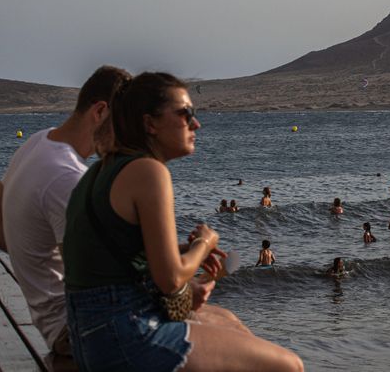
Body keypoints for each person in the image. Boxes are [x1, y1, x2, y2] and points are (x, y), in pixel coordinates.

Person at [61, 72, 303, 371]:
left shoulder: (100, 172)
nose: (196, 124)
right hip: (127, 336)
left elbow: (115, 259)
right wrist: (204, 244)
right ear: (150, 123)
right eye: (185, 113)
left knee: (229, 321)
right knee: (288, 365)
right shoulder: (148, 172)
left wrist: (181, 250)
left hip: (92, 333)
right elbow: (171, 280)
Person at [0, 65, 131, 356]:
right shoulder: (68, 177)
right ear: (100, 112)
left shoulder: (38, 141)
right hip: (77, 330)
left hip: (55, 320)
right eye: (123, 125)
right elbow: (92, 286)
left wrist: (37, 268)